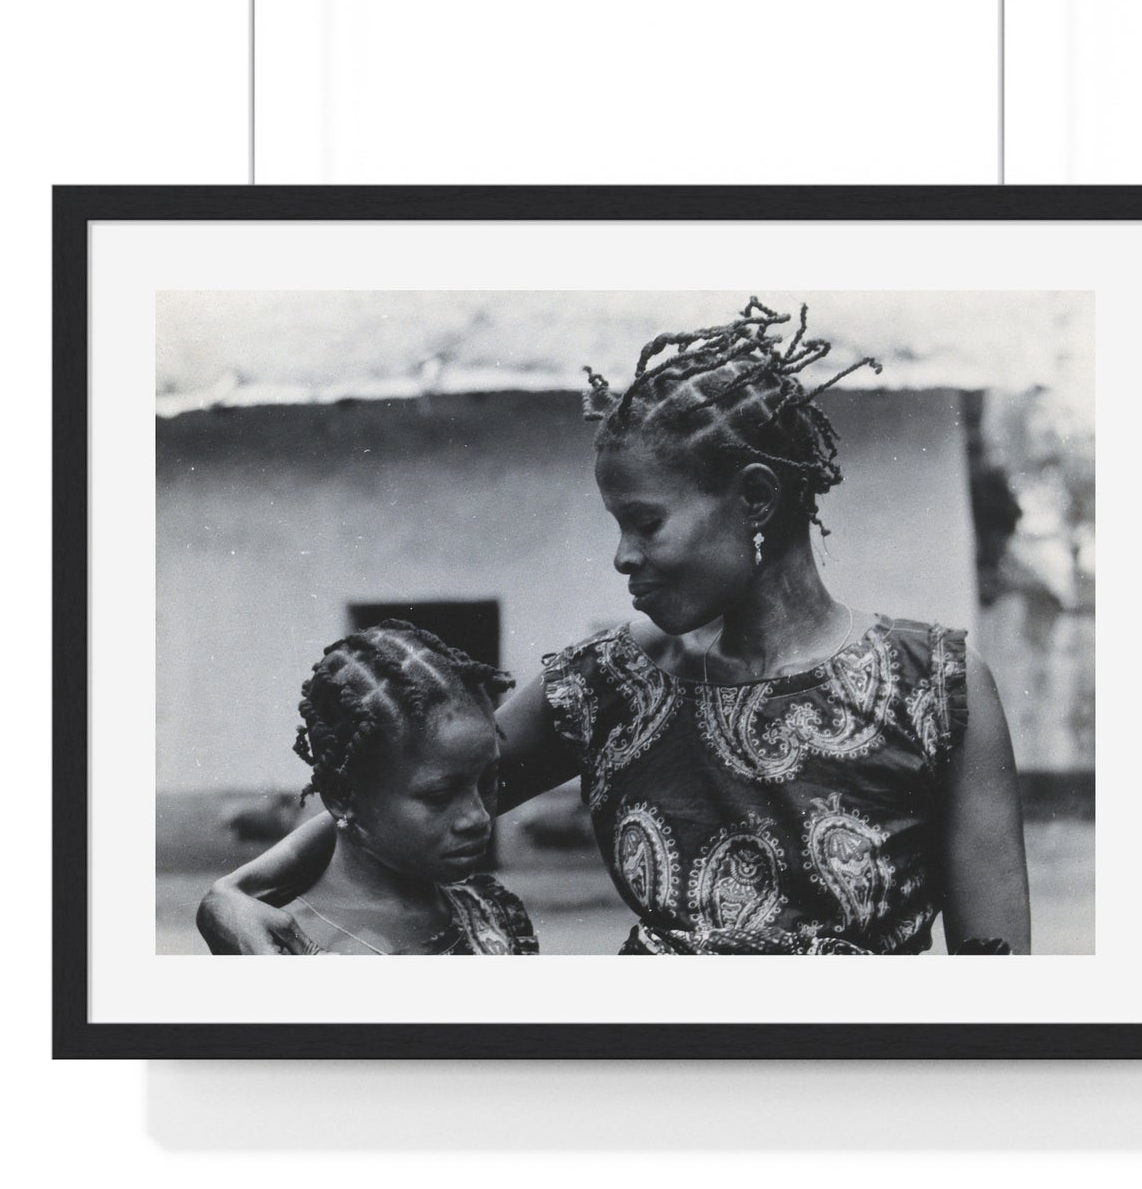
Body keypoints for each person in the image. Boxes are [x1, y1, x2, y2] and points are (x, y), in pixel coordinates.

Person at [198, 298, 1029, 955]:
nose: (622, 557)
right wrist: (233, 894)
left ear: (754, 500)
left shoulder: (936, 691)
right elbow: (396, 786)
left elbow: (995, 983)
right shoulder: (606, 686)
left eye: (643, 521)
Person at [198, 620, 537, 956]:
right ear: (342, 796)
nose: (478, 817)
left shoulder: (495, 914)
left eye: (489, 781)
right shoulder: (274, 943)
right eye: (439, 796)